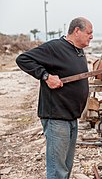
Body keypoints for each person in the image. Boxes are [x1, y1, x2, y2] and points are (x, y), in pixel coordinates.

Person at [16, 17, 93, 179]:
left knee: (66, 165)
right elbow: (23, 59)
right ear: (77, 31)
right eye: (89, 32)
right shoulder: (55, 47)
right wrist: (45, 76)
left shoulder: (78, 51)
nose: (91, 36)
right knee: (57, 169)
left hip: (71, 117)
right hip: (56, 117)